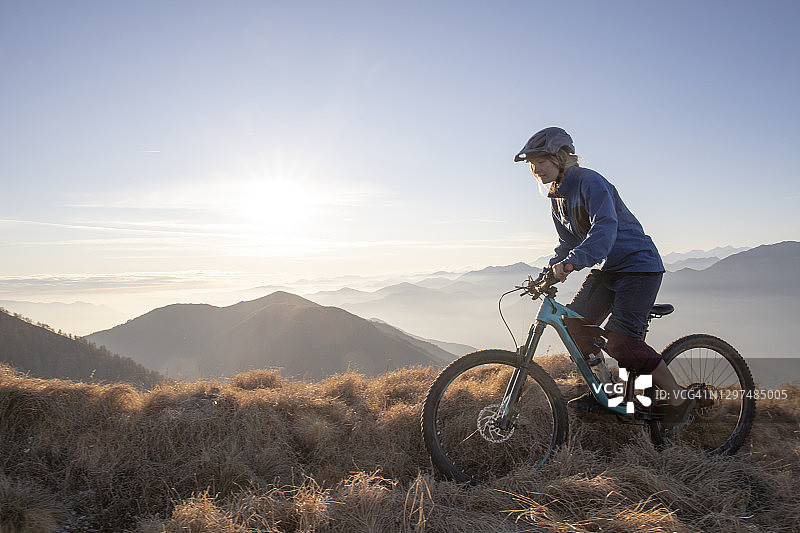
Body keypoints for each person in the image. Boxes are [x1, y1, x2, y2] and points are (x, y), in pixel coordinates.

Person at [515, 127, 694, 426]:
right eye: (532, 165)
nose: (536, 169)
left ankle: (679, 398)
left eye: (541, 162)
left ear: (561, 157)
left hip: (639, 266)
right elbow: (567, 244)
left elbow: (604, 228)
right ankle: (607, 393)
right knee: (574, 326)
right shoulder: (557, 197)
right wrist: (548, 274)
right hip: (608, 269)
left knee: (621, 344)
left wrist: (572, 264)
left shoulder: (590, 182)